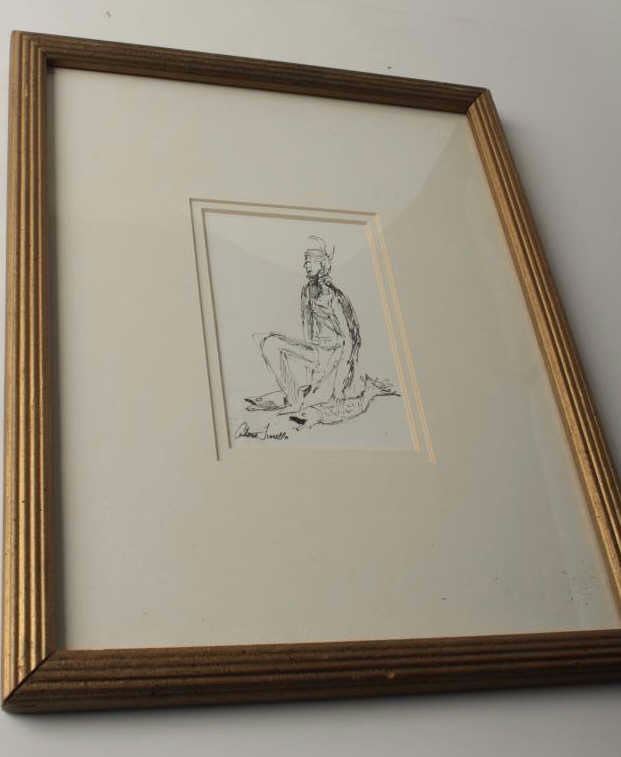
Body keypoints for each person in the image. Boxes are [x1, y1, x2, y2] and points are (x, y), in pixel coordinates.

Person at [246, 235, 361, 414]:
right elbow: (308, 331)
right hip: (317, 353)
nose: (305, 265)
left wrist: (339, 383)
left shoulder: (334, 296)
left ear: (322, 263)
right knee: (268, 342)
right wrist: (311, 375)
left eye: (309, 261)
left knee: (318, 397)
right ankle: (294, 398)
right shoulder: (306, 291)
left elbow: (350, 340)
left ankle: (297, 400)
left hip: (334, 357)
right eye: (305, 261)